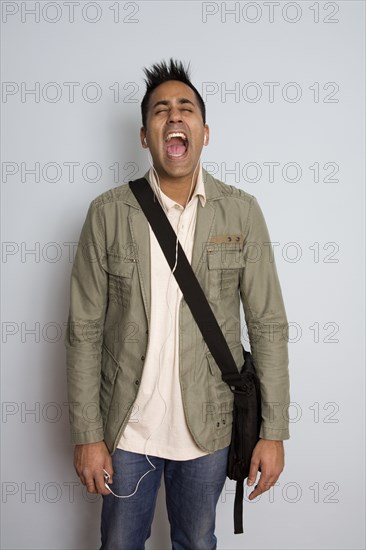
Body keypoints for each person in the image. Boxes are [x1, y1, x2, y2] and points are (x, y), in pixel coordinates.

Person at [65, 59, 290, 550]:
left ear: (204, 132)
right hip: (126, 432)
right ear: (145, 136)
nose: (173, 116)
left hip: (209, 428)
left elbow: (268, 323)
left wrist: (274, 432)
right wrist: (87, 434)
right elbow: (83, 329)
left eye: (185, 108)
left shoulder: (241, 210)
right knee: (119, 545)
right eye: (160, 110)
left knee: (197, 542)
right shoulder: (107, 214)